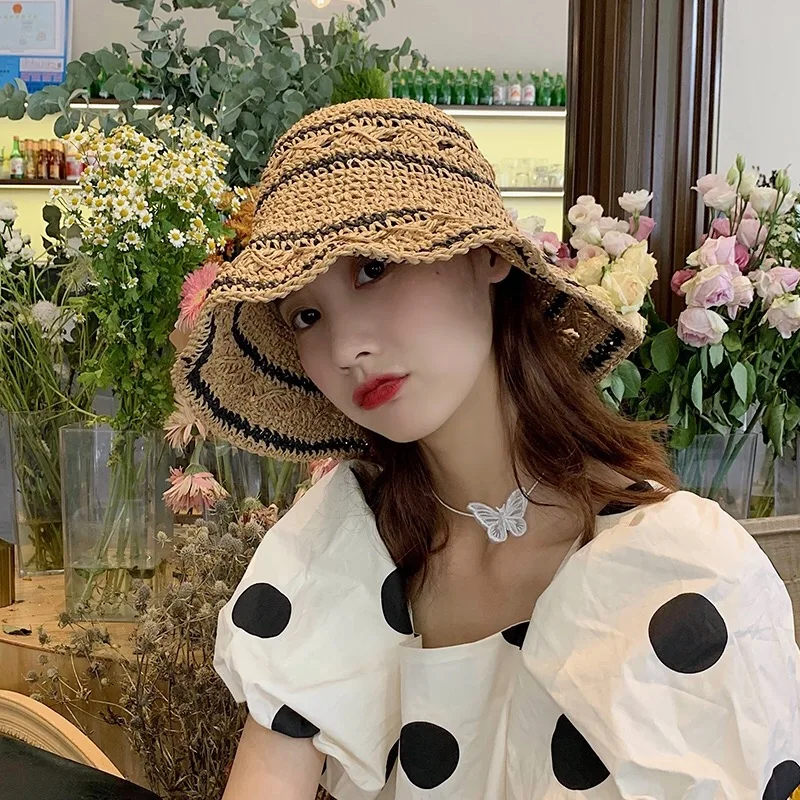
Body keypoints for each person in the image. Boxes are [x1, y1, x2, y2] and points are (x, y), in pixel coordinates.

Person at [171, 98, 800, 800]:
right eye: (307, 315)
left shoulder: (680, 569)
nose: (345, 348)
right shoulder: (341, 553)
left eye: (372, 268)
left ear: (489, 255)